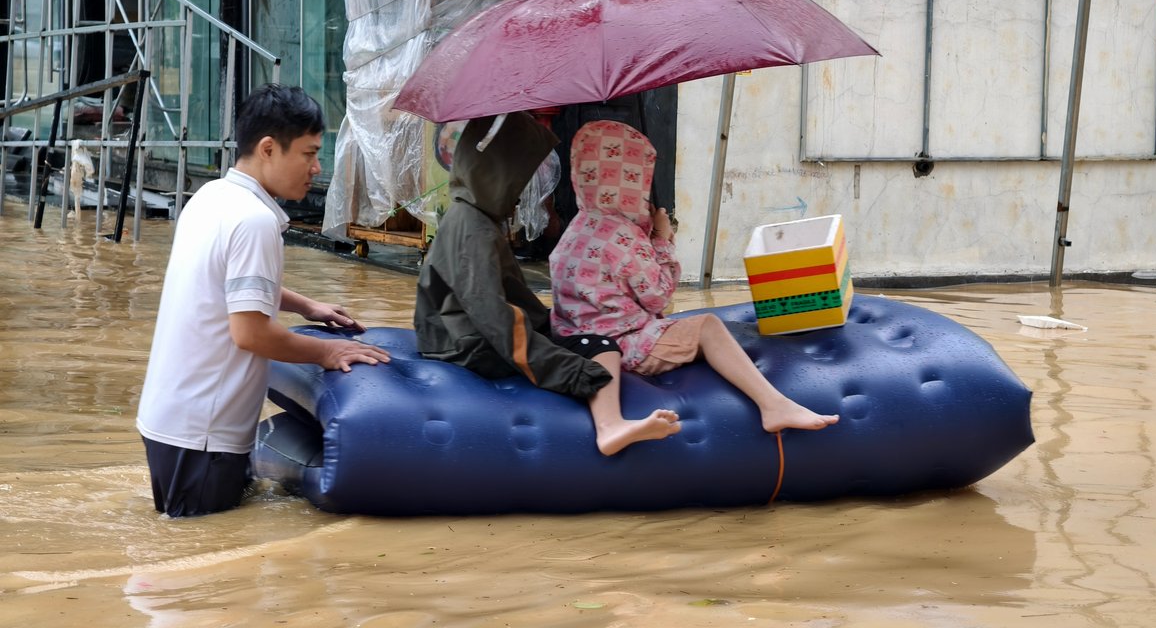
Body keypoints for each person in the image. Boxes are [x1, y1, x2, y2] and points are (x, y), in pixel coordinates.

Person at [136, 84, 391, 517]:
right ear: (269, 148)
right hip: (205, 434)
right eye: (309, 154)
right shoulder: (253, 221)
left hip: (170, 418)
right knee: (202, 572)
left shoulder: (212, 197)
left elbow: (220, 284)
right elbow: (251, 332)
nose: (316, 168)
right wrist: (328, 351)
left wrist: (306, 306)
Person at [549, 120, 839, 445]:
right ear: (633, 181)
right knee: (708, 326)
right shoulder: (625, 237)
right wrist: (662, 239)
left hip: (581, 341)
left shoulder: (577, 227)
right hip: (627, 343)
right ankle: (773, 404)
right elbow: (659, 297)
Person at [414, 112, 679, 456]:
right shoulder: (473, 229)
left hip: (455, 333)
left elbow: (502, 297)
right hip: (463, 344)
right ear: (499, 172)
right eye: (520, 176)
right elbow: (492, 315)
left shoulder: (474, 216)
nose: (523, 187)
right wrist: (570, 370)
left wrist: (549, 326)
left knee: (576, 335)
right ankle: (611, 426)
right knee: (597, 344)